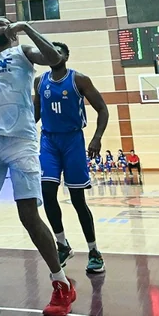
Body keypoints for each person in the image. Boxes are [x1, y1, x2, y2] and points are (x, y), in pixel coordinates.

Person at [0, 17, 75, 316]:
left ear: (12, 32)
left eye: (0, 24)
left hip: (20, 141)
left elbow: (54, 58)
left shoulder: (23, 52)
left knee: (29, 215)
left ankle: (61, 283)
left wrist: (26, 28)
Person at [34, 41, 109, 276]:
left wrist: (96, 138)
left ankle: (94, 251)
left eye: (58, 51)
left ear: (66, 56)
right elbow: (35, 114)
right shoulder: (40, 82)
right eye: (50, 51)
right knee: (47, 194)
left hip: (73, 141)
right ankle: (62, 244)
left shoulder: (79, 80)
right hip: (48, 140)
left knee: (78, 200)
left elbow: (103, 109)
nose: (53, 54)